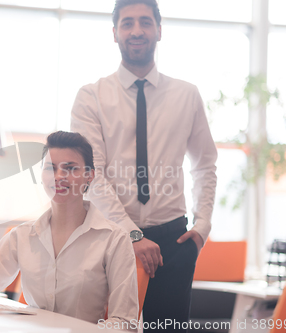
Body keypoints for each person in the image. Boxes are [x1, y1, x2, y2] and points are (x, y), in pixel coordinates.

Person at [70, 0, 218, 331]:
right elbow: (91, 174)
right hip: (108, 236)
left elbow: (205, 162)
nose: (137, 30)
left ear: (159, 31)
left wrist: (203, 224)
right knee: (101, 328)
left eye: (145, 22)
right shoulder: (90, 97)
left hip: (173, 241)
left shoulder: (187, 95)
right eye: (127, 23)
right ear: (115, 33)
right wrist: (132, 234)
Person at [0, 131, 139, 330]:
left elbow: (125, 322)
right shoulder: (23, 236)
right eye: (50, 168)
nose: (59, 176)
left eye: (70, 168)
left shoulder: (114, 240)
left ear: (89, 175)